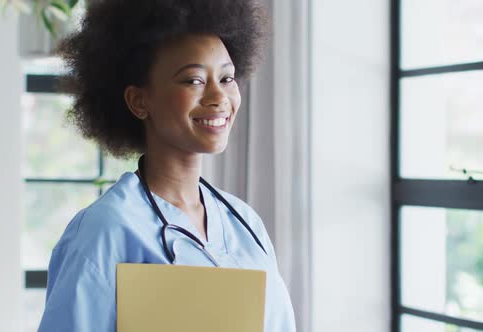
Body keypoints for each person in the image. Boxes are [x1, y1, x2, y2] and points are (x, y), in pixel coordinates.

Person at [38, 0, 296, 331]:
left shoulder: (244, 224)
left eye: (227, 78)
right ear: (139, 100)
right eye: (193, 80)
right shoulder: (105, 231)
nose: (219, 97)